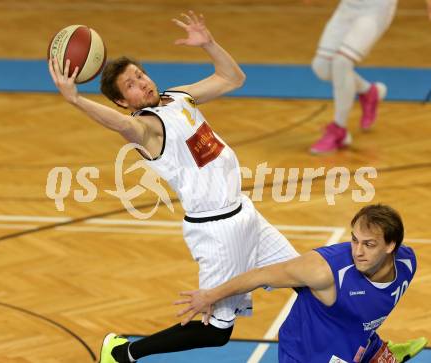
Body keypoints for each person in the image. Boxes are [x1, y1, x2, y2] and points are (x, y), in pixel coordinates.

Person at [49, 10, 301, 363]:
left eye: (140, 75)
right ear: (123, 101)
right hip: (217, 230)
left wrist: (209, 44)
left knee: (307, 280)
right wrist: (75, 99)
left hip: (245, 212)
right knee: (216, 334)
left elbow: (233, 78)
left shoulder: (178, 97)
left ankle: (364, 351)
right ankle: (123, 353)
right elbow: (120, 125)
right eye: (131, 85)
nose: (143, 83)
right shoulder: (145, 129)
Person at [176, 204, 427, 362]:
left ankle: (380, 352)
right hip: (306, 352)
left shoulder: (406, 264)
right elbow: (259, 275)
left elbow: (365, 307)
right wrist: (210, 296)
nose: (358, 251)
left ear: (391, 246)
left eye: (369, 244)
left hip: (354, 343)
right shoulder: (323, 270)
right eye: (354, 240)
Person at [309, 0, 431, 154]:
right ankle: (369, 92)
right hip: (347, 7)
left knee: (342, 62)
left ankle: (339, 130)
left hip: (376, 9)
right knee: (322, 67)